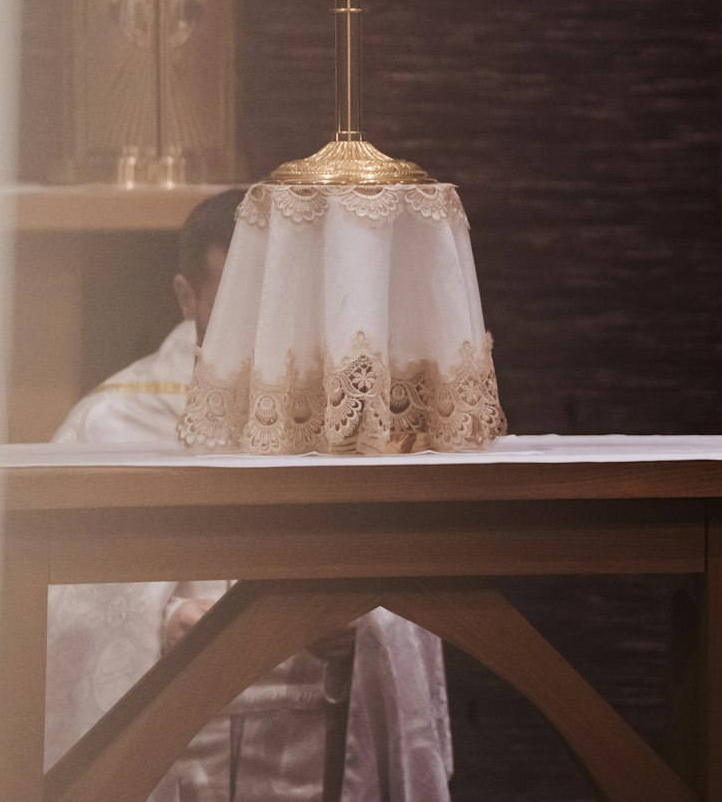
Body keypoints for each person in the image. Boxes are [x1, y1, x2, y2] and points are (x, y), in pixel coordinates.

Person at [45, 190, 453, 800]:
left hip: (315, 741)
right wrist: (161, 621)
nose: (266, 317)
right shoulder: (106, 424)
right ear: (187, 296)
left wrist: (365, 625)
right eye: (240, 294)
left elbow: (420, 584)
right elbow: (52, 591)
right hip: (170, 739)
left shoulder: (350, 416)